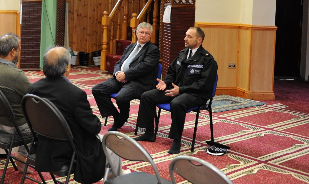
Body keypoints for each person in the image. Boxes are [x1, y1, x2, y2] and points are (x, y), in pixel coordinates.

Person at [28, 47, 107, 184]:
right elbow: (93, 127)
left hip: (43, 146)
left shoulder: (34, 89)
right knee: (110, 142)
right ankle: (115, 178)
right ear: (66, 68)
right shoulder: (75, 94)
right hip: (69, 150)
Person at [134, 27, 218, 155]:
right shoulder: (183, 53)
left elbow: (203, 84)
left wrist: (181, 90)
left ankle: (176, 140)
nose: (185, 39)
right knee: (147, 96)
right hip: (176, 89)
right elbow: (171, 72)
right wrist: (166, 82)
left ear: (199, 40)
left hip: (195, 94)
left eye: (189, 36)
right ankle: (149, 132)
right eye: (185, 35)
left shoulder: (207, 60)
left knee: (177, 103)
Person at [92, 22, 160, 131]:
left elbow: (144, 67)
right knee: (97, 90)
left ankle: (123, 117)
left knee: (121, 97)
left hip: (139, 82)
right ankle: (116, 116)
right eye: (141, 32)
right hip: (121, 78)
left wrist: (126, 75)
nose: (143, 35)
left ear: (150, 35)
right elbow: (119, 62)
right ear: (136, 33)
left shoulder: (153, 50)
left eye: (147, 33)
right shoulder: (130, 46)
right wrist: (117, 73)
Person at [0, 33, 30, 171]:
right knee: (45, 121)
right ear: (13, 51)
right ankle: (23, 155)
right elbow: (34, 99)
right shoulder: (16, 75)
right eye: (19, 50)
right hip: (16, 126)